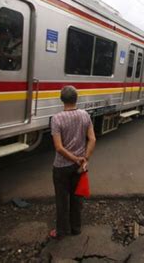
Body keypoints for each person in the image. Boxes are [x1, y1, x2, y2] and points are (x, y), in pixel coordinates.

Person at [50, 86, 97, 239]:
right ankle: (76, 228)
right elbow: (92, 139)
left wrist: (74, 158)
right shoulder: (85, 115)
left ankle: (62, 231)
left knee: (62, 200)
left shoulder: (56, 118)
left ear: (61, 99)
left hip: (61, 167)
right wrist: (84, 158)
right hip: (79, 167)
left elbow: (58, 147)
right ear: (76, 99)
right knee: (77, 199)